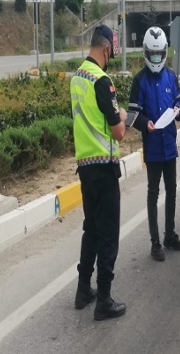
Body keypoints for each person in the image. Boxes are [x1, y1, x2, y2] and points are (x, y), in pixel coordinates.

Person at [70, 24, 128, 321]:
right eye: (112, 52)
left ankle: (83, 290)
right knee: (108, 234)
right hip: (104, 168)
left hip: (84, 167)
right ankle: (103, 298)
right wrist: (125, 116)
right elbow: (118, 132)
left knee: (91, 229)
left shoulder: (77, 77)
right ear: (106, 49)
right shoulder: (102, 81)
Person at [128, 26, 180, 262]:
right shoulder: (139, 80)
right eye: (152, 54)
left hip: (169, 146)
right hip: (152, 147)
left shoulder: (171, 77)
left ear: (164, 53)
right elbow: (132, 114)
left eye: (159, 54)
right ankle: (155, 243)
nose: (155, 58)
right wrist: (145, 123)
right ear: (145, 53)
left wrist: (179, 110)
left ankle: (170, 234)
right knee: (153, 193)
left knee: (172, 190)